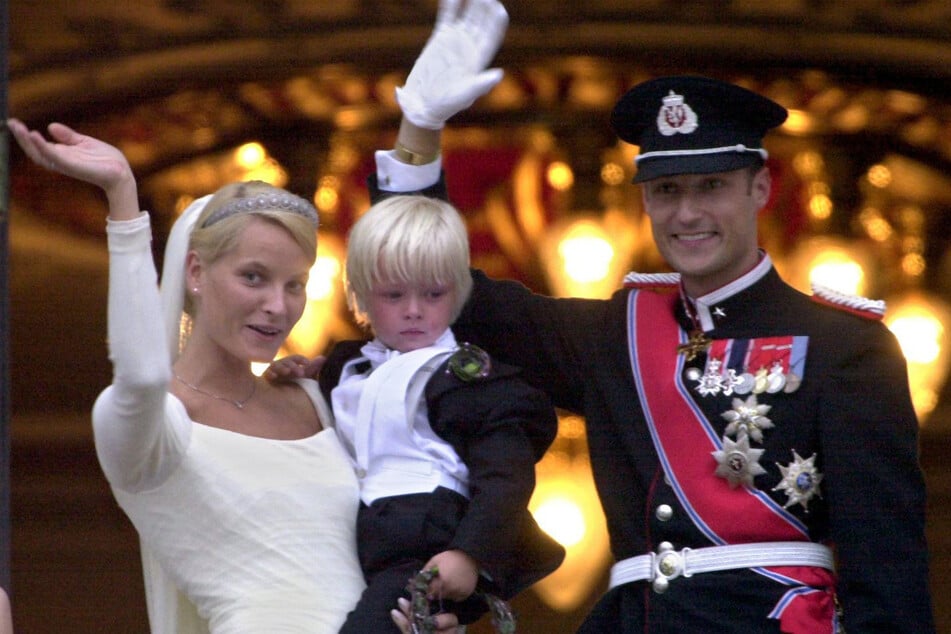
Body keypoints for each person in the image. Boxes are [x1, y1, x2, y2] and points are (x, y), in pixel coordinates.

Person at [359, 55, 936, 634]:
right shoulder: (617, 335)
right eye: (666, 190)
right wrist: (418, 139)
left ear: (759, 186)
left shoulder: (844, 345)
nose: (687, 213)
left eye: (711, 186)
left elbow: (887, 570)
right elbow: (445, 293)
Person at [6, 119, 465, 634]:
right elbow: (140, 374)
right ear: (196, 272)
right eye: (254, 277)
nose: (278, 306)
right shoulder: (154, 428)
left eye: (296, 285)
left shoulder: (314, 398)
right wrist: (123, 201)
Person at [320, 195, 564, 633]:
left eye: (433, 293)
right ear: (358, 293)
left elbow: (506, 480)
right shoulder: (348, 365)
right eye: (394, 294)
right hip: (354, 540)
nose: (414, 309)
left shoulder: (470, 380)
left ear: (458, 294)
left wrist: (469, 553)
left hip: (424, 547)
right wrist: (304, 368)